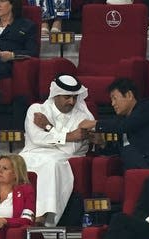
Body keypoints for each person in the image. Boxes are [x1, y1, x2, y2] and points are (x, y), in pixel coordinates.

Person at [19, 74, 94, 227]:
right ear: (55, 95)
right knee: (16, 162)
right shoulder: (37, 109)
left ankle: (41, 216)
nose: (72, 102)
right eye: (67, 97)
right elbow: (37, 138)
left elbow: (70, 149)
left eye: (74, 97)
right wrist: (68, 135)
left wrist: (48, 127)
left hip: (62, 158)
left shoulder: (84, 117)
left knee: (51, 163)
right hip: (31, 153)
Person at [81, 78, 149, 171]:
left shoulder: (147, 107)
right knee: (124, 152)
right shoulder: (121, 119)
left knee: (127, 151)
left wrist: (95, 123)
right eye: (111, 100)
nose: (113, 104)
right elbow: (118, 150)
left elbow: (126, 125)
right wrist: (103, 143)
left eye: (115, 98)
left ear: (129, 95)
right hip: (131, 162)